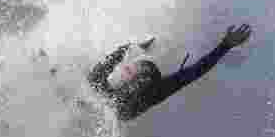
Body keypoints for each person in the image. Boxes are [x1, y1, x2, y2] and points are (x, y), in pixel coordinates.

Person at [86, 24, 252, 121]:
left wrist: (225, 46)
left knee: (102, 91)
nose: (131, 76)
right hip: (113, 99)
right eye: (131, 72)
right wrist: (131, 47)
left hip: (122, 109)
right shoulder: (120, 78)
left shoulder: (153, 92)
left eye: (135, 76)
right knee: (97, 81)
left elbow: (195, 71)